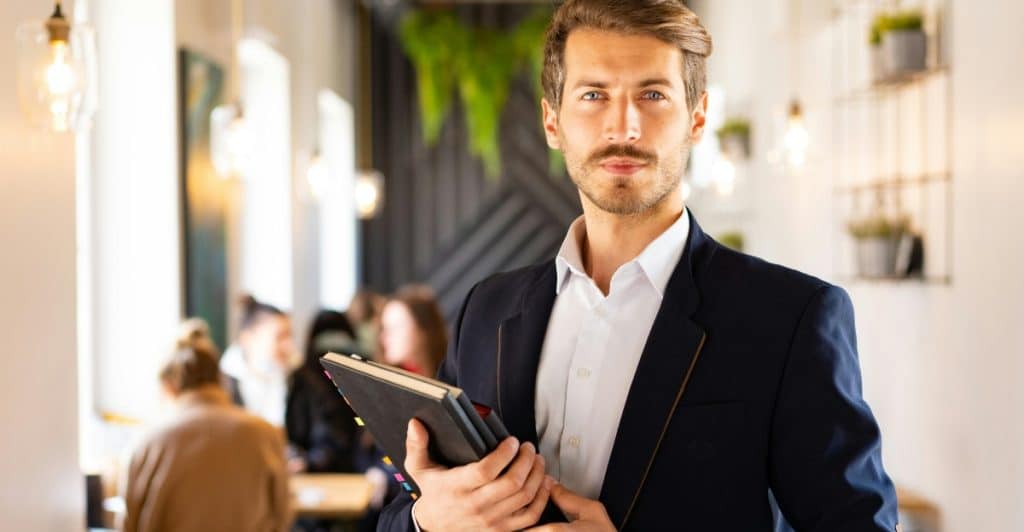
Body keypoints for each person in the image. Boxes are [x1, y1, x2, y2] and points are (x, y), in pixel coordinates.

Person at [379, 1, 898, 531]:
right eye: (593, 95)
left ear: (696, 117)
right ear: (552, 122)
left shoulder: (790, 318)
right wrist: (427, 519)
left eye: (652, 95)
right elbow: (401, 510)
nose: (623, 125)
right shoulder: (485, 310)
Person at [121, 326, 291, 532]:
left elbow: (129, 524)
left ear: (168, 385)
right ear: (221, 380)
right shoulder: (264, 433)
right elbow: (281, 515)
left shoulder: (147, 442)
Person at [285, 309, 361, 474]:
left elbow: (294, 428)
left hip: (312, 470)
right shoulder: (363, 370)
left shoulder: (302, 376)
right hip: (357, 470)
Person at [221, 294, 298, 427]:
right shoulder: (222, 386)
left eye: (290, 336)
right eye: (280, 337)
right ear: (248, 338)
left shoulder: (299, 378)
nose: (289, 345)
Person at [377, 285, 448, 379]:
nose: (384, 337)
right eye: (385, 328)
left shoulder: (453, 375)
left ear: (423, 329)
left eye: (395, 327)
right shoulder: (388, 382)